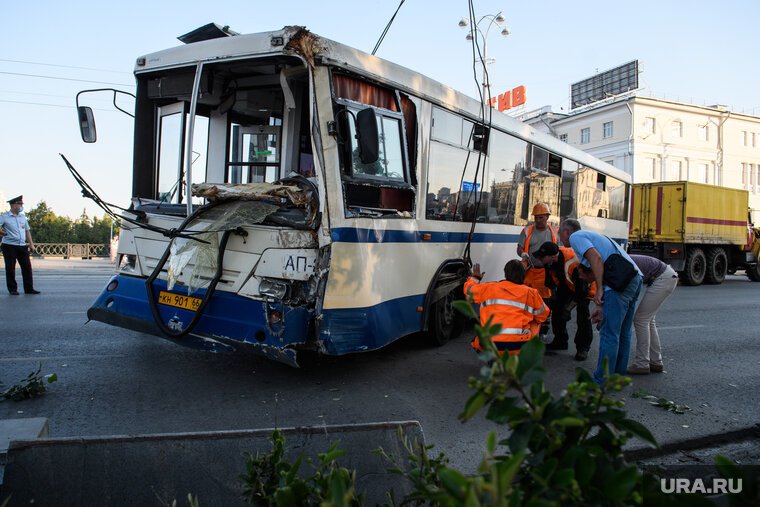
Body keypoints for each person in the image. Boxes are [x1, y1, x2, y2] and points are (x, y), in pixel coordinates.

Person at [559, 219, 642, 384]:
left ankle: (602, 382)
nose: (559, 237)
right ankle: (617, 377)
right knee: (623, 333)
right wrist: (600, 305)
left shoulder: (577, 237)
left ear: (567, 231)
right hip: (634, 278)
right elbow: (602, 261)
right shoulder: (594, 236)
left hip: (618, 283)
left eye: (559, 233)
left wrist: (600, 290)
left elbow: (596, 259)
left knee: (608, 334)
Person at [464, 259, 550, 355]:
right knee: (536, 322)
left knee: (478, 338)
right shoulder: (531, 293)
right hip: (519, 344)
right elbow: (543, 315)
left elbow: (468, 290)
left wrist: (475, 278)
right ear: (524, 275)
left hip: (490, 343)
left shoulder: (488, 288)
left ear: (505, 274)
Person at [535, 241, 596, 361]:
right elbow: (550, 283)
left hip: (584, 287)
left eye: (542, 257)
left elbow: (581, 291)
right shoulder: (549, 262)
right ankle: (560, 341)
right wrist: (554, 301)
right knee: (556, 308)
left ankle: (583, 348)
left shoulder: (574, 264)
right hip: (567, 285)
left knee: (583, 314)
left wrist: (568, 309)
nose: (539, 259)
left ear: (552, 257)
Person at [626, 255, 679, 374]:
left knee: (641, 319)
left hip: (663, 278)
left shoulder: (618, 262)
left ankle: (642, 363)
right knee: (648, 320)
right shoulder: (620, 257)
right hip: (666, 276)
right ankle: (655, 361)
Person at [516, 202, 558, 340]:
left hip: (545, 272)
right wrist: (523, 254)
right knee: (527, 301)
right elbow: (519, 248)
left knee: (545, 302)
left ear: (547, 216)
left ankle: (543, 328)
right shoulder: (527, 231)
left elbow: (559, 251)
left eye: (541, 217)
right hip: (530, 271)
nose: (538, 220)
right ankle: (527, 327)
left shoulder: (554, 232)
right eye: (536, 217)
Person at [1, 195, 40, 295]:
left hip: (22, 245)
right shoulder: (4, 217)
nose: (22, 206)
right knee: (10, 268)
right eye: (20, 204)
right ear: (14, 205)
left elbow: (27, 231)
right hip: (9, 245)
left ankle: (29, 288)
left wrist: (31, 244)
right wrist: (2, 233)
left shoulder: (22, 217)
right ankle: (13, 289)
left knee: (27, 267)